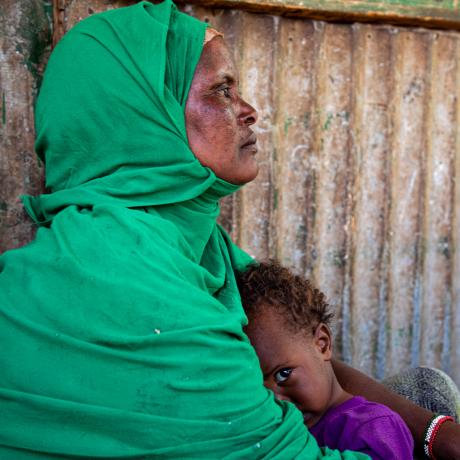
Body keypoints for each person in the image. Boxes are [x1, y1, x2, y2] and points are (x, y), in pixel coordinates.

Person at [0, 1, 459, 458]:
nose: (249, 110)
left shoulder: (185, 242)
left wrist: (437, 434)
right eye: (222, 91)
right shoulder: (133, 281)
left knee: (423, 395)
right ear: (145, 118)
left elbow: (302, 350)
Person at [236, 261, 414, 459]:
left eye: (283, 374)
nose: (277, 401)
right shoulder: (275, 435)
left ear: (322, 344)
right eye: (260, 391)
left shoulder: (374, 428)